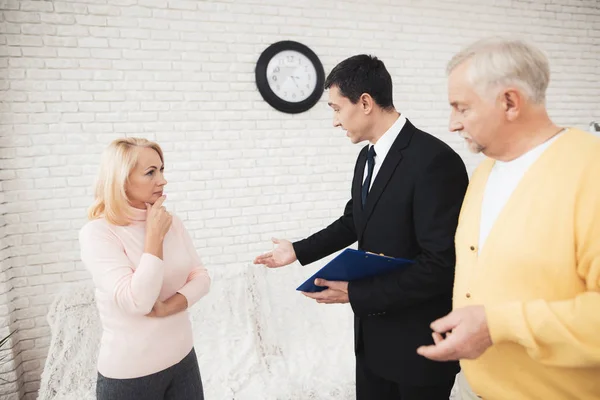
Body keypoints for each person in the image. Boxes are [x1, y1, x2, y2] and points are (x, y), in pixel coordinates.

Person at [254, 55, 468, 399]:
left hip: (419, 348)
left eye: (336, 109)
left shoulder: (435, 161)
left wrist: (355, 294)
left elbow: (441, 266)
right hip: (372, 343)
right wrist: (297, 250)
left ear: (365, 102)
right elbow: (356, 219)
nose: (335, 122)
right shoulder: (366, 157)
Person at [417, 37, 600, 400]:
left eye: (462, 108)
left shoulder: (590, 171)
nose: (452, 124)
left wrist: (497, 326)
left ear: (510, 102)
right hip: (473, 386)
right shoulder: (485, 172)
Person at [79, 137, 211, 400]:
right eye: (150, 172)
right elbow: (137, 302)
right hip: (130, 377)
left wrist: (167, 307)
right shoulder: (98, 233)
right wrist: (153, 238)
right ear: (121, 180)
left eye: (161, 170)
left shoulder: (170, 222)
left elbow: (201, 277)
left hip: (184, 361)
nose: (162, 180)